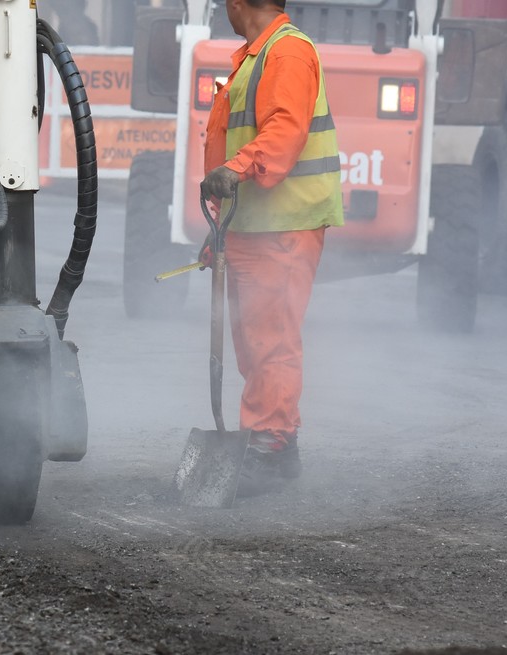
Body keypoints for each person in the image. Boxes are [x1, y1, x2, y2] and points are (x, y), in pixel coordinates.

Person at [198, 0, 343, 491]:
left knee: (271, 340)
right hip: (255, 226)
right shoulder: (256, 57)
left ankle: (269, 443)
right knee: (254, 339)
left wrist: (235, 169)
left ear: (239, 3)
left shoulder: (285, 54)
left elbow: (284, 132)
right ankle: (278, 447)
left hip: (283, 226)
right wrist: (220, 231)